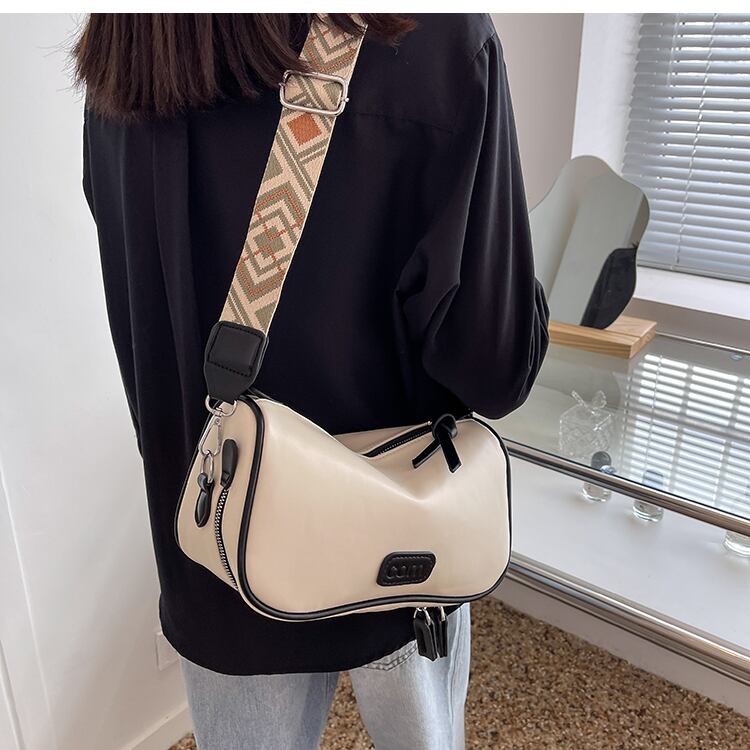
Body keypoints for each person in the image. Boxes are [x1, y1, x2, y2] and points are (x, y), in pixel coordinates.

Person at [76, 13, 549, 750]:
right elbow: (496, 369)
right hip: (402, 546)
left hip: (219, 546)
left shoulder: (130, 46)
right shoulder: (431, 38)